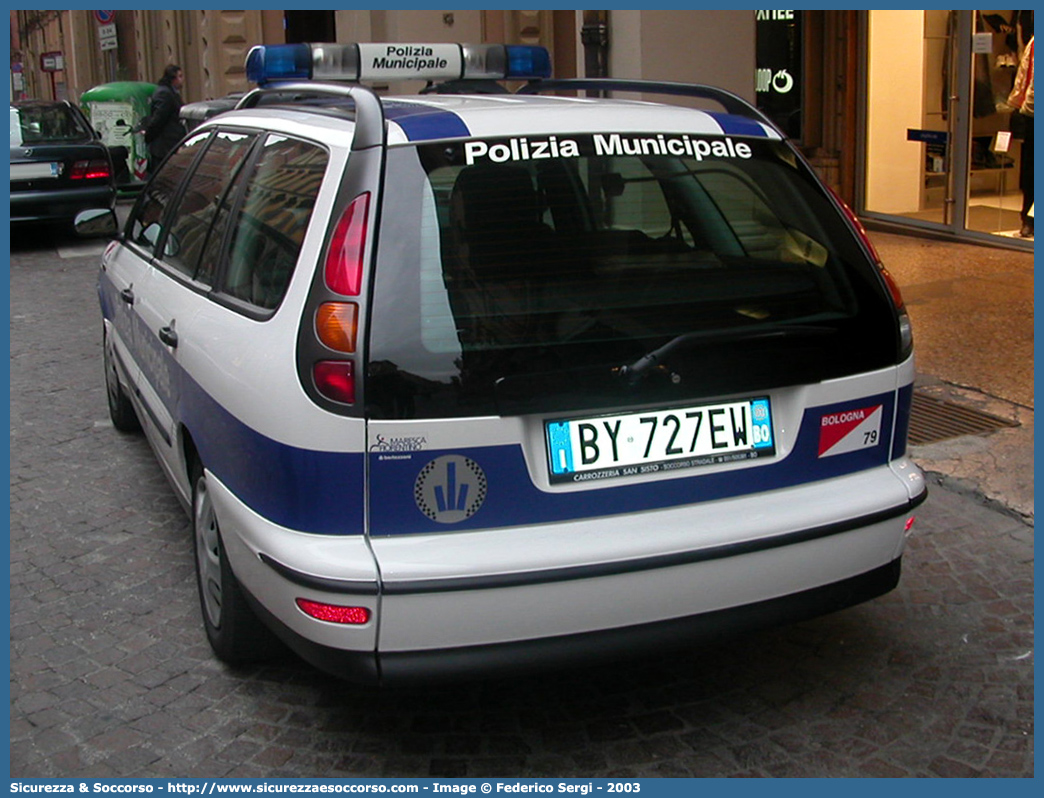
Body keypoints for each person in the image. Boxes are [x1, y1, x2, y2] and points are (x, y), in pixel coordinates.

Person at [1008, 37, 1034, 237]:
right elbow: (1025, 74)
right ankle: (1029, 219)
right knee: (1031, 170)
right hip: (1032, 113)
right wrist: (1018, 103)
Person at [139, 64, 187, 172]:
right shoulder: (165, 94)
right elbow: (159, 119)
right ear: (172, 79)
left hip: (169, 145)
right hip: (164, 147)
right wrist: (149, 136)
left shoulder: (171, 93)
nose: (182, 80)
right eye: (180, 76)